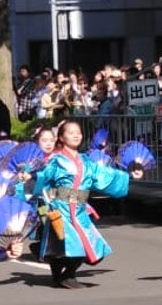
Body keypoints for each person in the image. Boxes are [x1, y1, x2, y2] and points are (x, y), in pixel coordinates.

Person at [34, 120, 142, 288]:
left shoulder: (86, 162)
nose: (76, 135)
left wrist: (129, 173)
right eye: (70, 132)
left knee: (94, 249)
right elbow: (43, 178)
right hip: (61, 208)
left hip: (79, 209)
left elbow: (106, 175)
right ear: (61, 138)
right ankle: (67, 275)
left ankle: (60, 270)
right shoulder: (56, 161)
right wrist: (31, 177)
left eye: (78, 132)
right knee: (75, 246)